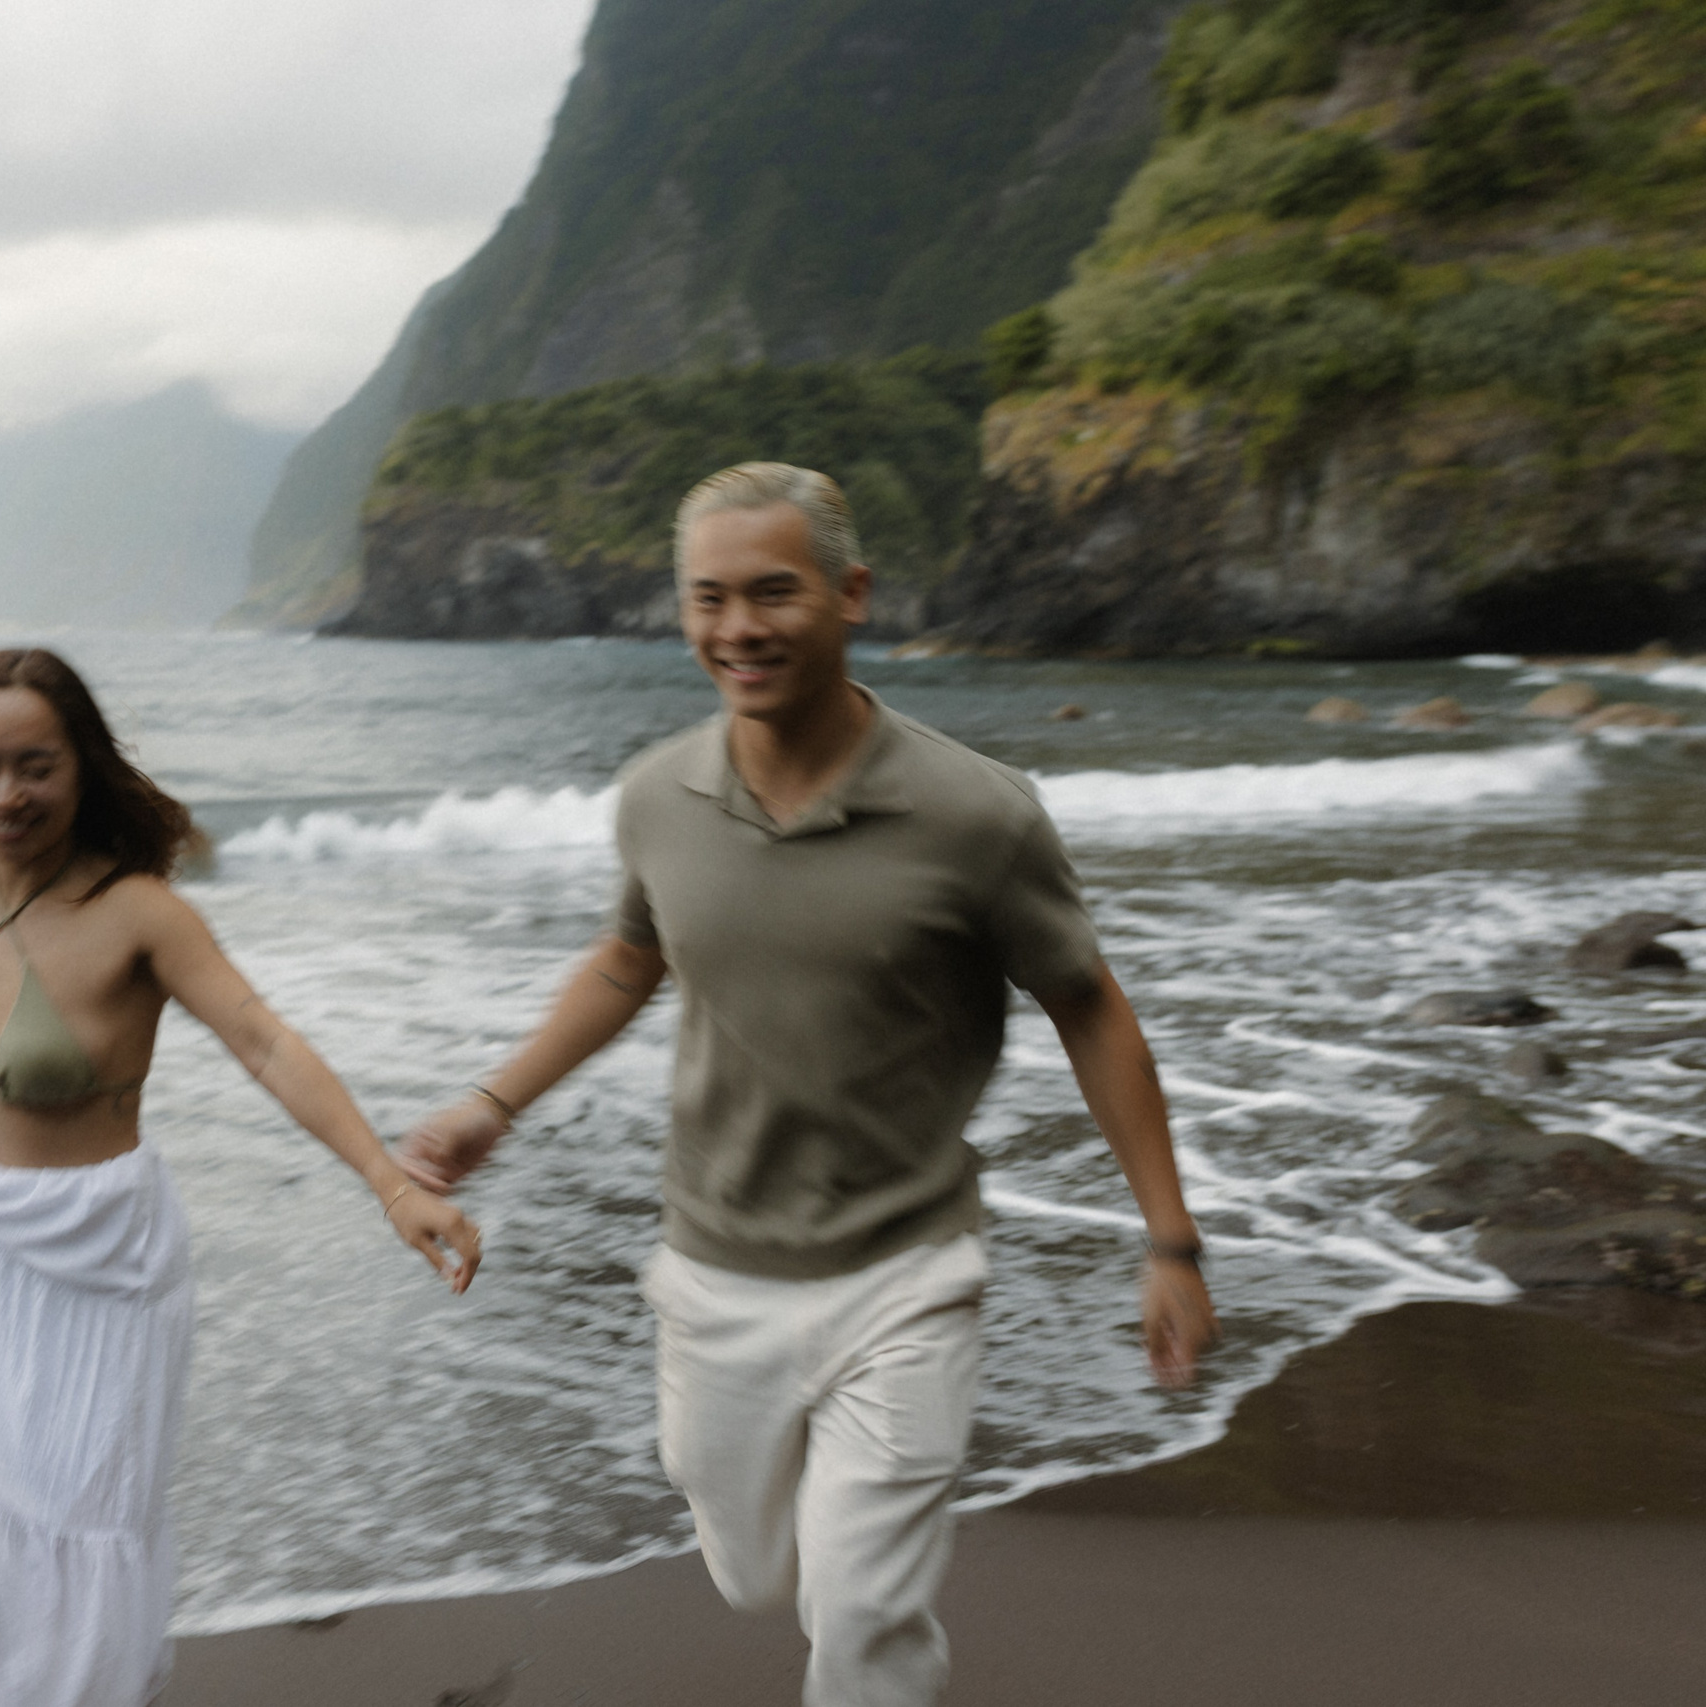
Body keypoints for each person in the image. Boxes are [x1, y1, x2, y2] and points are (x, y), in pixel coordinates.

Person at [399, 463, 1217, 1707]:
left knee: (864, 1613)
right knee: (752, 1571)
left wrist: (1170, 1241)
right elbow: (630, 958)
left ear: (851, 594)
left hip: (907, 1269)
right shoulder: (657, 797)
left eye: (772, 594)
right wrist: (492, 1102)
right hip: (717, 1269)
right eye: (708, 599)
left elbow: (1090, 1009)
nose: (738, 630)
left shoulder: (975, 814)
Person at [0, 647, 479, 1707]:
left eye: (36, 766)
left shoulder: (138, 911)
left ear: (84, 769)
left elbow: (263, 1041)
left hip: (96, 1271)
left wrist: (391, 1182)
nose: (7, 793)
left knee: (78, 1556)